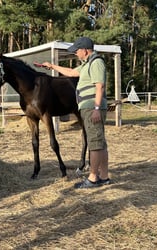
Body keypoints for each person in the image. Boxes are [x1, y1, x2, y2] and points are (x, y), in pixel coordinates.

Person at [42, 37, 110, 189]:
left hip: (93, 106)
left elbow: (100, 87)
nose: (76, 54)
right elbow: (71, 72)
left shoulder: (96, 62)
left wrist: (97, 108)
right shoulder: (86, 64)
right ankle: (104, 176)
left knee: (94, 143)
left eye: (77, 51)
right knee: (100, 143)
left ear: (85, 50)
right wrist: (51, 66)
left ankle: (93, 178)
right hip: (88, 106)